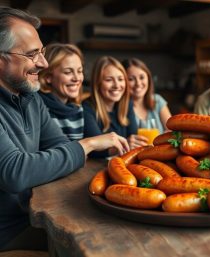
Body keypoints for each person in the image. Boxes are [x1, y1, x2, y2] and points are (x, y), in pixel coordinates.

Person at [0, 7, 129, 251]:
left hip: (30, 218)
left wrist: (70, 152)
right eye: (32, 54)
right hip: (8, 235)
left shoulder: (31, 98)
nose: (43, 62)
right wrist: (88, 144)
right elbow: (15, 172)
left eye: (42, 51)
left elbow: (60, 145)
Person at [83, 56, 148, 158]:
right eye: (109, 80)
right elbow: (94, 150)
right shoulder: (87, 108)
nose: (117, 85)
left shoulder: (127, 104)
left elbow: (134, 138)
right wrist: (126, 144)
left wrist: (131, 143)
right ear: (97, 83)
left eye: (120, 79)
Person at [38, 43, 84, 140]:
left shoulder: (78, 108)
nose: (77, 78)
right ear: (48, 77)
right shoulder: (38, 109)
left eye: (80, 71)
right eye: (68, 72)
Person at [121, 58, 171, 132]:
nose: (138, 83)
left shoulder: (157, 100)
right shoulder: (120, 109)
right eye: (131, 79)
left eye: (142, 77)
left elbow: (172, 132)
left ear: (148, 78)